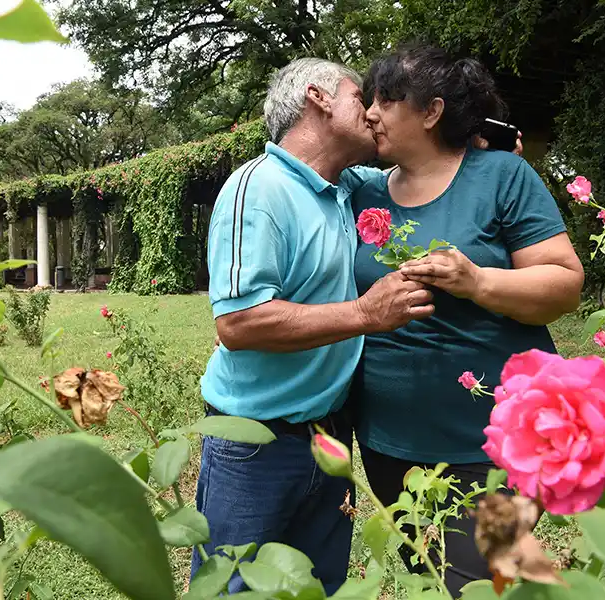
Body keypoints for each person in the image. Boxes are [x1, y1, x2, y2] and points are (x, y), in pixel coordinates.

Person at [193, 57, 436, 595]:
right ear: (318, 99)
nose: (374, 113)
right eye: (361, 98)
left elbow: (423, 166)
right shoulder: (257, 189)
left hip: (331, 432)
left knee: (315, 585)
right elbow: (238, 322)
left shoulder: (350, 185)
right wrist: (366, 314)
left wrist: (477, 143)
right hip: (254, 439)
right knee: (233, 585)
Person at [350, 44, 584, 597]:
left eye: (387, 98)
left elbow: (564, 284)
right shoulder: (360, 190)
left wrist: (478, 281)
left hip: (495, 440)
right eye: (368, 98)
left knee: (487, 581)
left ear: (431, 112)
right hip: (388, 441)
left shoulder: (501, 175)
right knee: (428, 578)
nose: (371, 111)